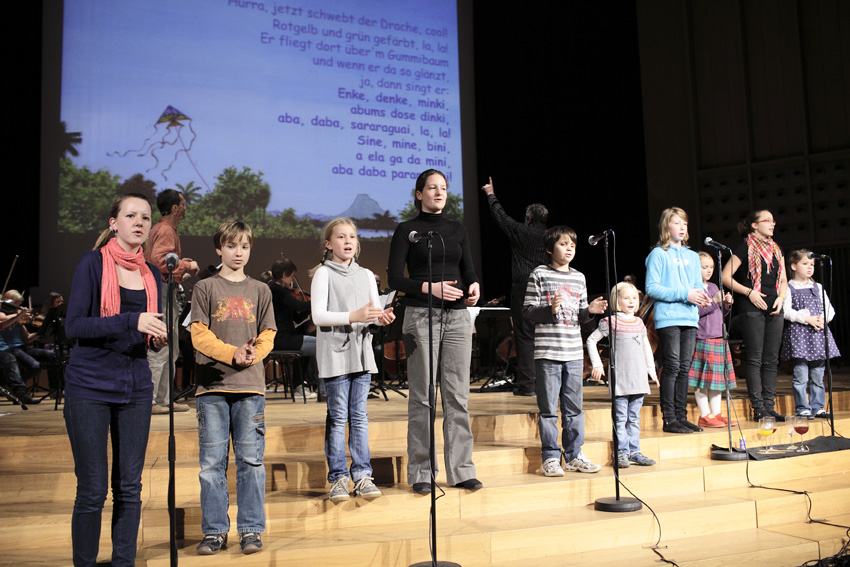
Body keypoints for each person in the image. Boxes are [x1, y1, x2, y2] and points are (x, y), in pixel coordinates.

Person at [63, 193, 167, 567]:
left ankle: (124, 562)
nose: (139, 222)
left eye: (145, 217)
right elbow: (74, 326)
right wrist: (131, 320)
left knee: (129, 488)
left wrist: (156, 337)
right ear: (113, 223)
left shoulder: (151, 274)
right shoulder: (92, 263)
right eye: (131, 215)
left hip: (135, 387)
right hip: (89, 386)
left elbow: (145, 334)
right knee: (92, 489)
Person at [387, 168, 483, 494]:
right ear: (419, 194)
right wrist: (431, 288)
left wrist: (474, 286)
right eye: (432, 187)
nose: (439, 192)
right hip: (420, 315)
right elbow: (394, 279)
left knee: (457, 396)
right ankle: (422, 472)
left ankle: (461, 470)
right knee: (423, 397)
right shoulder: (407, 230)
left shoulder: (457, 229)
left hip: (457, 317)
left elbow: (468, 269)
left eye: (443, 187)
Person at [191, 220, 276, 556]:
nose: (238, 252)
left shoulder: (261, 290)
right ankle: (214, 531)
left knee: (251, 461)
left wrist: (254, 353)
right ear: (219, 249)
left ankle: (251, 529)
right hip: (212, 388)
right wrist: (232, 353)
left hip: (250, 387)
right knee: (212, 464)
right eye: (231, 246)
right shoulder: (205, 287)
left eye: (244, 246)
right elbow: (199, 335)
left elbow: (268, 334)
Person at [310, 218, 395, 502]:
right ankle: (338, 478)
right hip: (335, 354)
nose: (348, 241)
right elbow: (318, 316)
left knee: (359, 416)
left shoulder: (366, 275)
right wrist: (354, 316)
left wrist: (382, 318)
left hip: (361, 354)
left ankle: (362, 476)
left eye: (352, 236)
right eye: (341, 237)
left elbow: (374, 315)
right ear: (328, 243)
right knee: (338, 417)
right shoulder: (324, 274)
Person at [523, 225, 607, 476]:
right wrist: (549, 309)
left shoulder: (579, 277)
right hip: (548, 352)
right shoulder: (539, 274)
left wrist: (590, 311)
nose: (569, 248)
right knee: (549, 410)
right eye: (563, 244)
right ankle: (550, 457)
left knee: (574, 409)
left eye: (572, 245)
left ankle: (574, 455)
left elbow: (579, 315)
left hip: (573, 353)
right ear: (550, 249)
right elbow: (527, 311)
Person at [645, 207, 711, 434]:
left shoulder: (692, 256)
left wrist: (701, 297)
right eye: (676, 223)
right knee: (672, 366)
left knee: (685, 368)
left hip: (689, 317)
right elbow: (652, 288)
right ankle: (669, 418)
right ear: (666, 226)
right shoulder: (658, 254)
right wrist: (686, 294)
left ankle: (681, 417)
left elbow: (696, 286)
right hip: (669, 317)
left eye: (684, 223)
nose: (682, 227)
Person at [480, 177, 548, 396]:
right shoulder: (551, 237)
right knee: (546, 336)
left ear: (529, 219)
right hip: (548, 287)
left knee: (525, 336)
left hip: (525, 287)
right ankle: (548, 384)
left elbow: (501, 217)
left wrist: (491, 194)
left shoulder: (522, 231)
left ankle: (528, 385)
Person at [721, 209, 787, 421]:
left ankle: (769, 406)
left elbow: (783, 279)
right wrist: (749, 292)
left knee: (771, 359)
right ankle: (758, 408)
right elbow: (725, 277)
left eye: (773, 220)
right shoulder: (745, 247)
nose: (772, 223)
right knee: (755, 358)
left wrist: (781, 297)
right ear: (754, 225)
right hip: (752, 307)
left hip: (774, 306)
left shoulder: (776, 248)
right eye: (767, 220)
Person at [586, 282, 658, 468]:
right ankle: (621, 452)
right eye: (626, 298)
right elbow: (591, 340)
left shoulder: (639, 322)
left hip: (638, 377)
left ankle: (634, 451)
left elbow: (646, 347)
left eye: (634, 298)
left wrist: (651, 370)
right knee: (620, 418)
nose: (631, 301)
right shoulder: (610, 322)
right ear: (616, 300)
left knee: (634, 418)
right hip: (621, 378)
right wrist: (597, 364)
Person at [145, 188, 198, 414]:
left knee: (171, 347)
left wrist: (178, 271)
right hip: (162, 291)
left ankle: (164, 399)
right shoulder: (166, 230)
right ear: (175, 208)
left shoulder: (163, 229)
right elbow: (159, 261)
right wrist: (187, 265)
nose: (185, 207)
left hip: (166, 287)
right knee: (162, 344)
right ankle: (151, 401)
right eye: (183, 204)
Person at [780, 249, 840, 419]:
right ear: (794, 266)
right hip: (800, 335)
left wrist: (822, 320)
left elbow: (829, 309)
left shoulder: (817, 287)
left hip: (818, 334)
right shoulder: (789, 287)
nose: (810, 267)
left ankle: (817, 407)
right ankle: (802, 408)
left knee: (818, 375)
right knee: (801, 375)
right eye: (805, 264)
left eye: (812, 264)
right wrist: (807, 318)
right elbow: (786, 311)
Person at [688, 251, 737, 428]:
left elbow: (720, 313)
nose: (709, 270)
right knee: (702, 381)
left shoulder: (714, 286)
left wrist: (726, 305)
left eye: (711, 267)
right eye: (704, 267)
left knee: (717, 381)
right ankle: (704, 414)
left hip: (719, 338)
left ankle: (716, 413)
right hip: (704, 338)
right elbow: (696, 313)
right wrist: (715, 301)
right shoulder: (693, 289)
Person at [263, 256, 318, 399]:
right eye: (292, 276)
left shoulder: (281, 292)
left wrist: (310, 311)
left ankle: (298, 385)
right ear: (284, 275)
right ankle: (321, 388)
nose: (292, 280)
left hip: (287, 336)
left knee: (311, 344)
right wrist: (317, 301)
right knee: (322, 345)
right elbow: (298, 305)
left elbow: (296, 317)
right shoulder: (276, 290)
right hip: (281, 338)